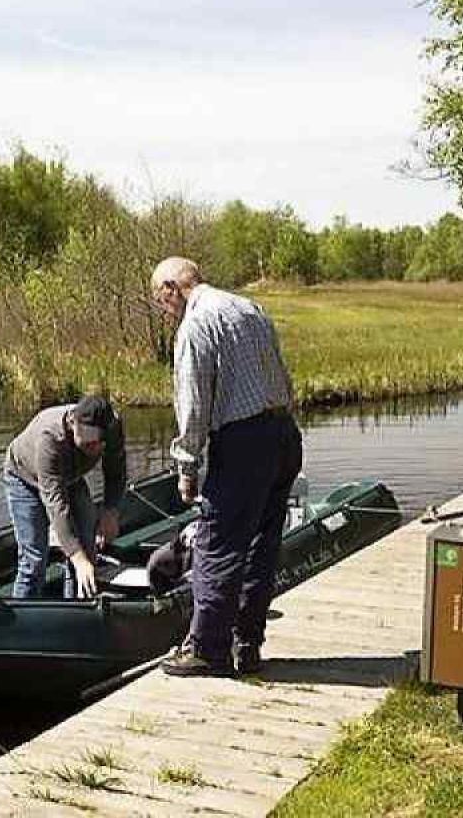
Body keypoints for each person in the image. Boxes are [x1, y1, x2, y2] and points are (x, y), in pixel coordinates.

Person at [149, 256, 302, 678]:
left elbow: (193, 406)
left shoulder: (196, 325)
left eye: (159, 300)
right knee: (261, 546)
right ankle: (247, 646)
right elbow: (282, 380)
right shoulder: (248, 308)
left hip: (244, 443)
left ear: (171, 288)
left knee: (217, 545)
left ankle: (208, 650)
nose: (163, 310)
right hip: (284, 435)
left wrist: (186, 465)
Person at [2, 394, 126, 599]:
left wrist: (110, 511)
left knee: (88, 544)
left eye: (98, 443)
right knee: (34, 560)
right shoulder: (50, 438)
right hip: (24, 478)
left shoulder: (112, 426)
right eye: (87, 444)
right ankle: (21, 621)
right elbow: (56, 505)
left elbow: (116, 470)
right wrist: (77, 558)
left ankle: (76, 608)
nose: (94, 449)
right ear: (73, 423)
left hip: (70, 477)